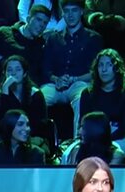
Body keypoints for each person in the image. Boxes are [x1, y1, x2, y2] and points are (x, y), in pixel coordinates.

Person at [40, 0, 103, 139]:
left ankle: (76, 144)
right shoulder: (53, 38)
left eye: (74, 10)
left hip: (79, 84)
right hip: (56, 85)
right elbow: (46, 68)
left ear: (81, 12)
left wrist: (75, 79)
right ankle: (40, 143)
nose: (70, 15)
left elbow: (95, 72)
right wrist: (56, 79)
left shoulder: (93, 38)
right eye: (66, 11)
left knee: (82, 97)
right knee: (38, 98)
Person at [78, 48, 125, 156]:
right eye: (100, 65)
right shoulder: (87, 93)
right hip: (91, 139)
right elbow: (83, 122)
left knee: (113, 154)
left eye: (108, 65)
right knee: (71, 153)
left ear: (116, 68)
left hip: (120, 138)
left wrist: (105, 140)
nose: (104, 69)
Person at [0, 5, 50, 93]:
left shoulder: (39, 46)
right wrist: (4, 63)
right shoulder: (4, 33)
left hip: (22, 90)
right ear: (28, 19)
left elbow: (34, 74)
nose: (41, 25)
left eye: (45, 22)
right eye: (38, 20)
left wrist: (0, 58)